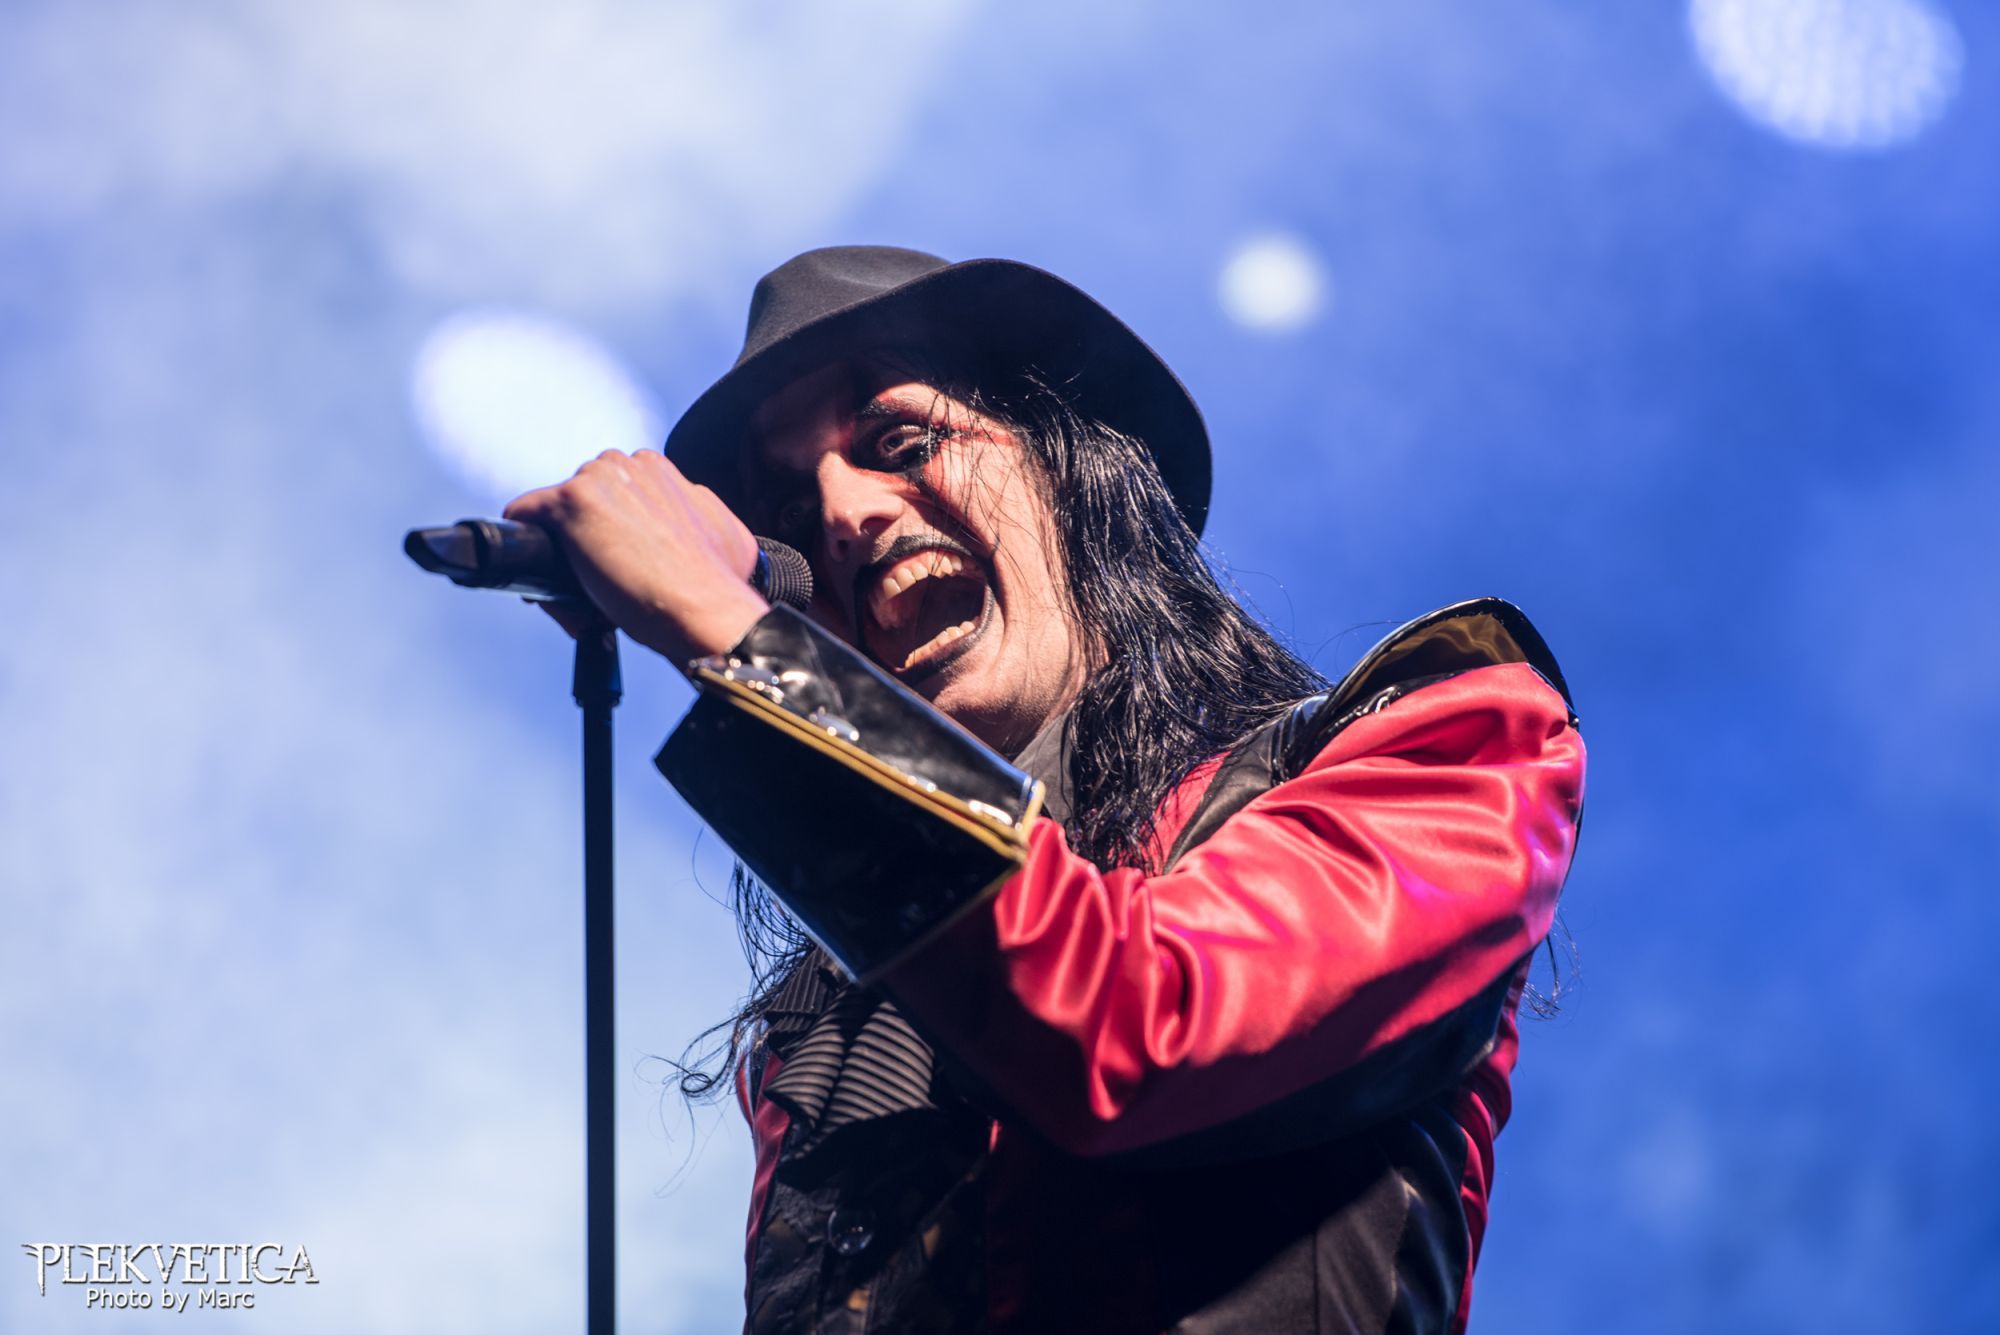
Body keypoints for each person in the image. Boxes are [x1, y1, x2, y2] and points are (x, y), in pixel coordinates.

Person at [504, 246, 1587, 1333]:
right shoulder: (828, 1041)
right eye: (791, 508)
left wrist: (726, 629)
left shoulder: (1446, 737)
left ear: (1073, 477)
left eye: (899, 443)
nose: (841, 516)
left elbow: (1141, 1025)